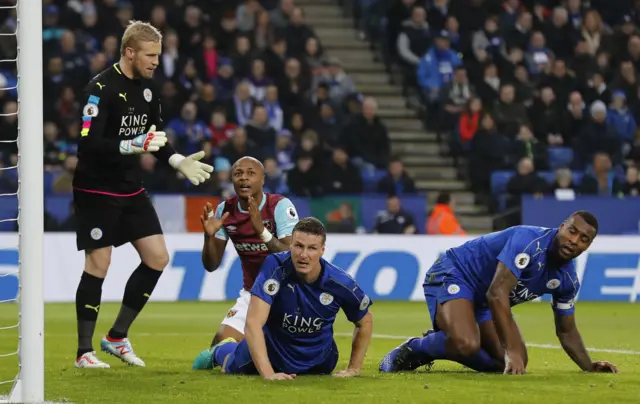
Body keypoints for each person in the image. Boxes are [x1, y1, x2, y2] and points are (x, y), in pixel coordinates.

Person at [73, 21, 214, 369]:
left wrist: (177, 160)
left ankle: (117, 336)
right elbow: (87, 145)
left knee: (157, 258)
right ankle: (83, 352)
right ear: (129, 52)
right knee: (99, 263)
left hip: (130, 187)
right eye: (150, 55)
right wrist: (130, 145)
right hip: (96, 188)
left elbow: (156, 137)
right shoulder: (99, 88)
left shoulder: (149, 91)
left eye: (158, 55)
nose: (155, 62)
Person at [380, 211, 619, 375]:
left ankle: (445, 338)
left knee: (507, 363)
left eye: (583, 239)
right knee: (467, 343)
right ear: (561, 227)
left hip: (485, 300)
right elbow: (497, 293)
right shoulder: (528, 241)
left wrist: (588, 366)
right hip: (456, 272)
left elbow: (566, 330)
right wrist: (512, 349)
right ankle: (415, 348)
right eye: (572, 231)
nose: (574, 240)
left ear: (588, 246)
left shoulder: (566, 279)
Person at [194, 218, 374, 379]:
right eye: (298, 246)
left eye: (312, 248)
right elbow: (253, 322)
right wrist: (268, 374)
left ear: (322, 251)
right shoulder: (275, 266)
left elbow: (365, 320)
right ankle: (220, 350)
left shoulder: (339, 282)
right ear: (291, 246)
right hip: (272, 352)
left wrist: (353, 369)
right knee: (229, 366)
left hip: (320, 360)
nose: (304, 255)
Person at [193, 156, 300, 366]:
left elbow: (291, 256)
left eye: (251, 173)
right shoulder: (226, 210)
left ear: (262, 180)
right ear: (232, 180)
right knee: (221, 343)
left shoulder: (279, 206)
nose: (244, 178)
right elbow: (211, 265)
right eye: (238, 173)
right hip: (253, 293)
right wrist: (208, 237)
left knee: (287, 356)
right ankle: (230, 352)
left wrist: (262, 231)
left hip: (287, 294)